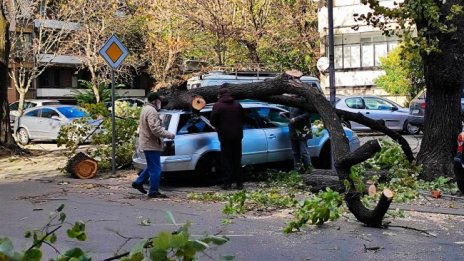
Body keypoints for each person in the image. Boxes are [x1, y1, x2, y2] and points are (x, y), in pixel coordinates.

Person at [132, 92, 175, 198]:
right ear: (155, 101)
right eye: (159, 100)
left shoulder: (145, 109)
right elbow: (155, 129)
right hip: (151, 143)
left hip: (148, 142)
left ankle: (138, 182)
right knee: (156, 169)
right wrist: (169, 134)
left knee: (152, 166)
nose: (160, 103)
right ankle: (153, 191)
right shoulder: (152, 111)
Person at [211, 88, 245, 190]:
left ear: (220, 95)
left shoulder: (217, 106)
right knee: (237, 159)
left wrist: (218, 127)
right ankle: (239, 183)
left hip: (225, 136)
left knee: (226, 159)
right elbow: (243, 117)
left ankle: (227, 183)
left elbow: (213, 120)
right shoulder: (237, 104)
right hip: (237, 136)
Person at [288, 106, 313, 173]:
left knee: (304, 152)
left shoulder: (302, 101)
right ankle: (297, 171)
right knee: (295, 153)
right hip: (293, 131)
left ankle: (309, 170)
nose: (289, 95)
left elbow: (308, 114)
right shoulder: (290, 103)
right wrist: (286, 113)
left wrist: (296, 119)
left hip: (302, 132)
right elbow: (293, 114)